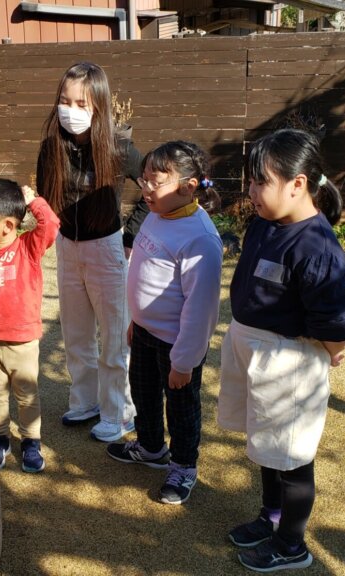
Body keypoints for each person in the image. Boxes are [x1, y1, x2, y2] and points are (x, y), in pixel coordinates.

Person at [218, 129, 345, 571]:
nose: (250, 191)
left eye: (260, 182)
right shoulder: (265, 224)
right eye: (250, 181)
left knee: (293, 455)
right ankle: (272, 516)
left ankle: (291, 544)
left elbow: (335, 315)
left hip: (289, 363)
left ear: (298, 184)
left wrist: (334, 349)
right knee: (269, 444)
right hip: (255, 352)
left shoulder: (315, 245)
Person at [36, 61, 149, 442]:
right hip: (67, 248)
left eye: (81, 103)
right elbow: (46, 198)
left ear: (99, 105)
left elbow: (153, 189)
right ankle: (85, 400)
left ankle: (120, 413)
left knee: (114, 337)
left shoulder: (120, 148)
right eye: (65, 101)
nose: (71, 110)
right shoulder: (51, 148)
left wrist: (131, 236)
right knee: (76, 333)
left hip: (106, 248)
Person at [105, 141, 223, 505]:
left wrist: (184, 362)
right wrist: (135, 322)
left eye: (156, 182)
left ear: (189, 186)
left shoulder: (200, 238)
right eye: (144, 180)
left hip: (177, 344)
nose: (146, 189)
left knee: (181, 406)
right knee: (143, 393)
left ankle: (183, 465)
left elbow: (200, 309)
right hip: (144, 332)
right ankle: (151, 446)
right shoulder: (158, 214)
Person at [0, 178, 61, 472]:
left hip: (22, 342)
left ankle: (31, 440)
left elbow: (50, 225)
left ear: (8, 225)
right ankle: (0, 437)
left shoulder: (28, 247)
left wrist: (32, 201)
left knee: (26, 396)